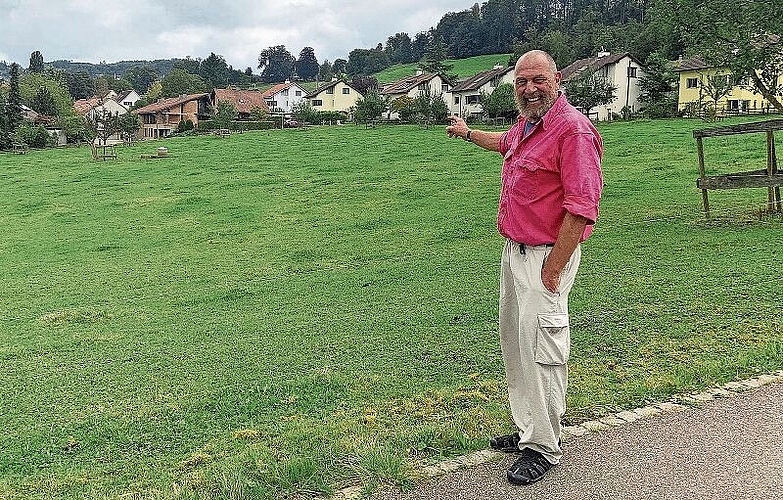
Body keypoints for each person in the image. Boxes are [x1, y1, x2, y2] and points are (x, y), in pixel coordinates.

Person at [446, 50, 603, 485]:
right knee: (516, 344)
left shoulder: (572, 131)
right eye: (521, 82)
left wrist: (554, 268)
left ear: (557, 80)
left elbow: (582, 206)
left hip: (545, 256)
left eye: (538, 80)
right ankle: (527, 429)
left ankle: (544, 447)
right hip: (515, 252)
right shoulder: (528, 127)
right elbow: (502, 143)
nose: (529, 88)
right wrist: (465, 132)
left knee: (542, 351)